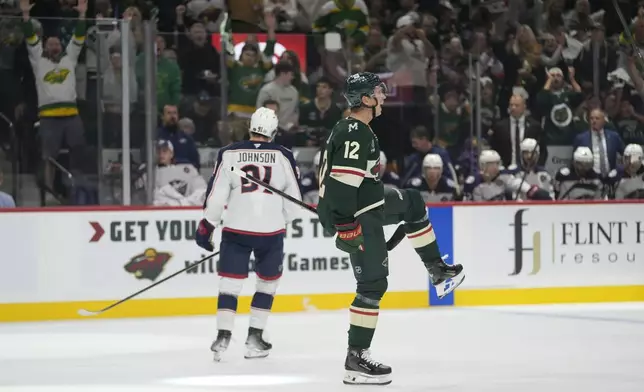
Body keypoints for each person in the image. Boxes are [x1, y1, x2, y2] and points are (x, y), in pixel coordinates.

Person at [316, 72, 465, 386]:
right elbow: (342, 185)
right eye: (378, 92)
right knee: (372, 285)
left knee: (412, 202)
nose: (383, 96)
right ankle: (356, 357)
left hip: (368, 202)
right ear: (366, 99)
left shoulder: (355, 129)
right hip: (357, 213)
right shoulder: (357, 132)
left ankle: (437, 270)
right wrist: (346, 227)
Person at [195, 107, 301, 361]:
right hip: (271, 231)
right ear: (273, 132)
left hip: (236, 229)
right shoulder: (283, 155)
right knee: (267, 283)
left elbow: (217, 194)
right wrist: (282, 218)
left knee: (230, 284)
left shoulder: (229, 153)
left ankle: (223, 335)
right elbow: (294, 199)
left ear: (250, 128)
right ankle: (255, 338)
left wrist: (208, 225)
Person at [153, 140, 207, 206]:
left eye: (164, 151)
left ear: (171, 154)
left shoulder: (188, 169)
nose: (161, 154)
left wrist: (185, 202)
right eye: (158, 151)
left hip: (188, 211)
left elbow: (201, 190)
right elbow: (156, 198)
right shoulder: (150, 173)